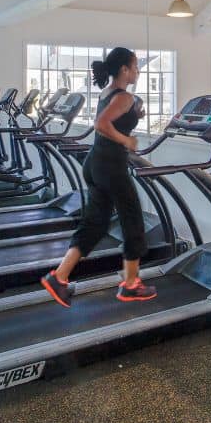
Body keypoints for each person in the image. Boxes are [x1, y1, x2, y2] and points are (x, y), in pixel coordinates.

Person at [41, 47, 156, 306]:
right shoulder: (124, 96)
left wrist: (133, 117)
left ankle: (58, 277)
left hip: (96, 164)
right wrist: (127, 140)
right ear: (124, 69)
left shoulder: (110, 93)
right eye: (135, 66)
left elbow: (110, 120)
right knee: (133, 220)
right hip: (111, 166)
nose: (137, 71)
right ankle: (130, 284)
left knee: (96, 223)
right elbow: (102, 124)